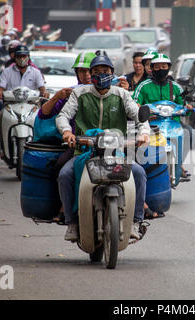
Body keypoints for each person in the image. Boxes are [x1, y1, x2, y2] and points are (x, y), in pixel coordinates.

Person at [55, 52, 150, 242]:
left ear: (112, 73)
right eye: (96, 72)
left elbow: (139, 116)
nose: (101, 75)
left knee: (139, 174)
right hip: (84, 151)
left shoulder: (122, 94)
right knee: (65, 175)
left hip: (117, 152)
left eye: (105, 71)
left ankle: (136, 221)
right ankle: (72, 222)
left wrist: (144, 133)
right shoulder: (79, 93)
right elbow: (63, 116)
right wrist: (67, 132)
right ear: (91, 74)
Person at [133, 53, 194, 200]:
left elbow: (183, 104)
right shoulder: (144, 86)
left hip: (172, 124)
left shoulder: (176, 87)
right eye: (157, 66)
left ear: (168, 68)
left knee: (189, 132)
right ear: (152, 68)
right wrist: (139, 108)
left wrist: (188, 107)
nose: (161, 69)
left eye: (164, 66)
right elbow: (135, 103)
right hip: (151, 124)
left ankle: (180, 164)